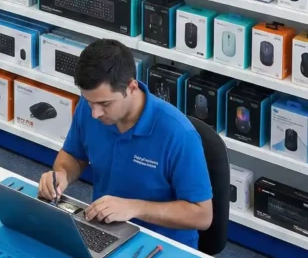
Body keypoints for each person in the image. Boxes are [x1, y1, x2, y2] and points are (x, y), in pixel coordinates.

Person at [39, 40, 213, 248]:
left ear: (131, 87)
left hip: (161, 244)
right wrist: (62, 175)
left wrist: (135, 208)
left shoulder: (179, 134)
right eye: (89, 101)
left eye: (105, 104)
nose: (95, 113)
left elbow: (202, 215)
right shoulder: (90, 109)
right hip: (104, 230)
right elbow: (75, 156)